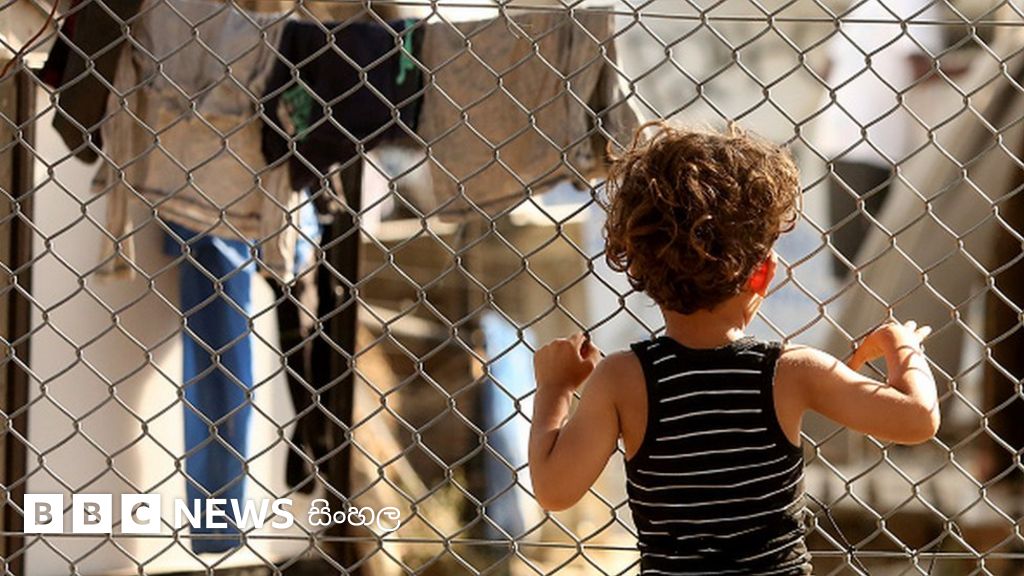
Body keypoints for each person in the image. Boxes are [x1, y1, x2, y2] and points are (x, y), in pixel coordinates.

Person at [528, 120, 940, 574]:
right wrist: (902, 345)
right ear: (763, 272)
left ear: (640, 268)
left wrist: (554, 388)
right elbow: (918, 419)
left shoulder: (622, 379)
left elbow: (554, 490)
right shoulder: (791, 372)